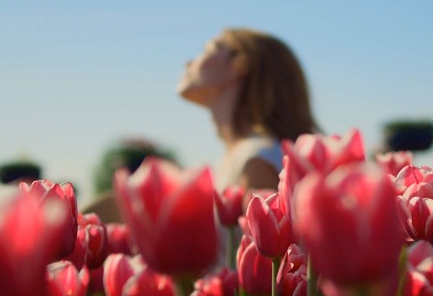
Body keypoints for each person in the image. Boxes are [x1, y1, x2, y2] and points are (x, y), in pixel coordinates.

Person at [87, 28, 319, 220]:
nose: (188, 62)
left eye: (207, 50)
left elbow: (260, 258)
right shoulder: (239, 156)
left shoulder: (256, 160)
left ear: (239, 65)